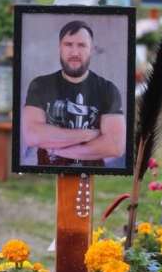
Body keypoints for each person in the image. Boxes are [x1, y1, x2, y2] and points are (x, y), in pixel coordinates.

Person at [22, 20, 125, 167]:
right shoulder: (40, 85)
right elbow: (32, 135)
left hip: (91, 172)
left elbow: (115, 146)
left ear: (91, 49)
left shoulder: (107, 90)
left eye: (82, 45)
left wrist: (56, 149)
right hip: (48, 172)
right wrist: (89, 134)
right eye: (68, 44)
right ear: (60, 48)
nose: (75, 52)